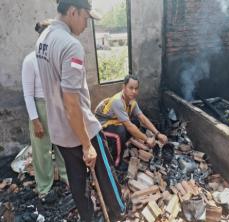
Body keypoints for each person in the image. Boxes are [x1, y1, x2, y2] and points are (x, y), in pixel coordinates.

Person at [35, 0, 125, 221]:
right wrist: (87, 145)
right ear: (72, 11)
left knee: (77, 180)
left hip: (60, 132)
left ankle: (88, 217)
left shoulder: (42, 40)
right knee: (106, 177)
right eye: (85, 17)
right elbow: (72, 103)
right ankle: (119, 213)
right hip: (82, 129)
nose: (86, 24)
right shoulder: (70, 45)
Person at [21, 19, 68, 200]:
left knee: (63, 146)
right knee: (42, 152)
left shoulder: (56, 58)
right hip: (40, 108)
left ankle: (65, 177)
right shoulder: (30, 60)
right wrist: (35, 120)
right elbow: (28, 94)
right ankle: (44, 187)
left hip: (58, 106)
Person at [95, 75, 168, 165]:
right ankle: (116, 163)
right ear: (124, 87)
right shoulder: (117, 101)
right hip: (100, 127)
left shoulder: (132, 101)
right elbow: (129, 126)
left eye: (136, 89)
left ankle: (123, 145)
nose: (134, 91)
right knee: (120, 133)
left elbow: (142, 118)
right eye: (131, 88)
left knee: (136, 122)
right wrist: (146, 139)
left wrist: (158, 134)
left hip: (114, 123)